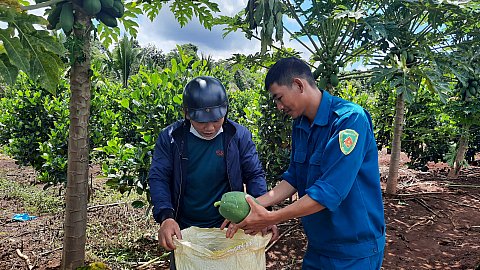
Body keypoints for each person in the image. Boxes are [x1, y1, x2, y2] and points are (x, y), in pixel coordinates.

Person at [223, 57, 386, 269]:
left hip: (352, 250)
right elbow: (294, 177)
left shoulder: (349, 120)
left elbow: (329, 192)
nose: (279, 106)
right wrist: (252, 206)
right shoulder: (300, 124)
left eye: (279, 98)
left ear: (299, 84)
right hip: (319, 245)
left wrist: (272, 217)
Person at [148, 76, 277, 269]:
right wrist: (166, 217)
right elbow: (159, 177)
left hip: (227, 227)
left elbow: (254, 175)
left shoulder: (238, 136)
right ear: (186, 113)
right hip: (185, 229)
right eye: (201, 121)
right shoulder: (171, 138)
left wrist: (263, 213)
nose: (209, 128)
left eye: (216, 120)